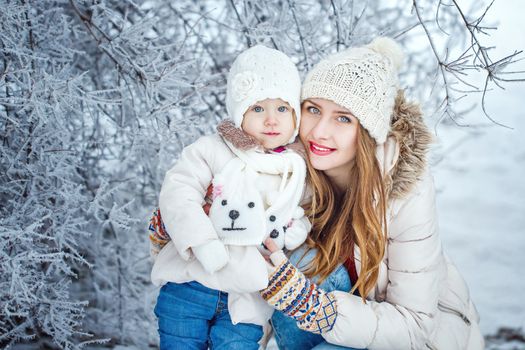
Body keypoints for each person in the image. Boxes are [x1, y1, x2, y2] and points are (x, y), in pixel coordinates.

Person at [260, 37, 485, 350]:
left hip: (417, 339)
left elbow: (415, 326)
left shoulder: (406, 191)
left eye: (343, 118)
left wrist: (315, 308)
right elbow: (252, 278)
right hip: (333, 328)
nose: (319, 131)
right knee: (297, 257)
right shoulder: (288, 170)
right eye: (313, 109)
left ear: (368, 131)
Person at [149, 45, 311, 349]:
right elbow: (178, 190)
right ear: (240, 113)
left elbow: (301, 213)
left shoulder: (295, 170)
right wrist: (202, 240)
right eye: (258, 108)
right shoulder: (212, 149)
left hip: (246, 303)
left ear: (295, 115)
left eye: (282, 108)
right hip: (190, 283)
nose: (271, 120)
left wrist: (295, 229)